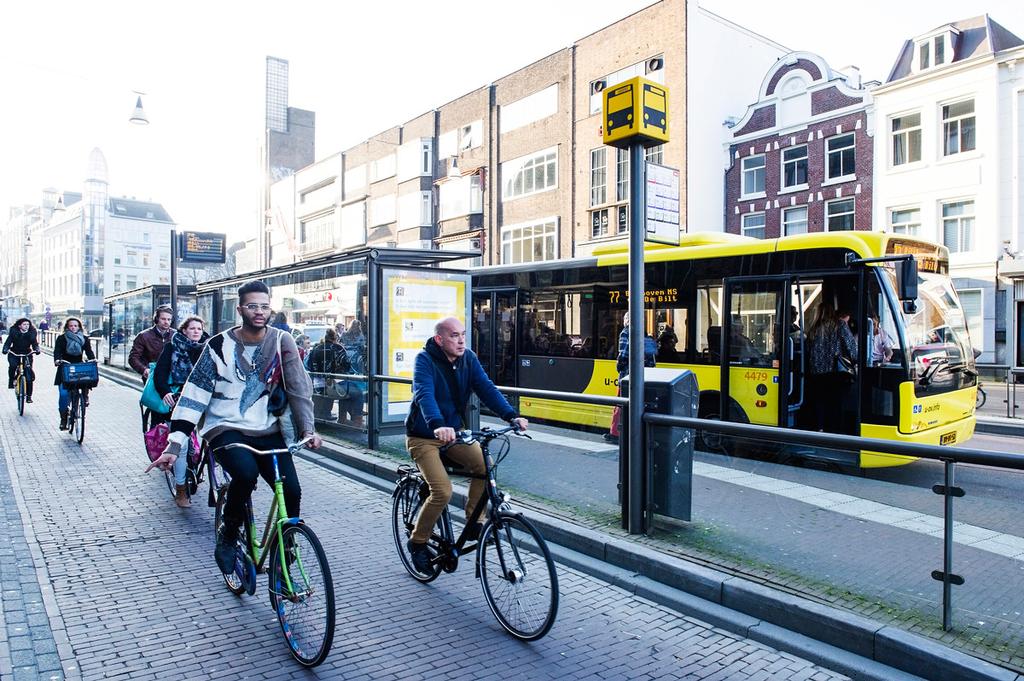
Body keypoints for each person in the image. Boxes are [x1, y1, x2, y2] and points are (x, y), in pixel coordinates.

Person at [145, 281, 322, 574]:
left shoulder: (282, 341)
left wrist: (307, 430)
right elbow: (194, 396)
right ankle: (228, 534)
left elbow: (299, 389)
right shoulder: (218, 345)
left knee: (291, 490)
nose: (259, 312)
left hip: (268, 428)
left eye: (265, 306)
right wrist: (174, 445)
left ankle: (287, 545)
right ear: (240, 309)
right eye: (252, 306)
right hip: (225, 426)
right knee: (245, 472)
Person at [404, 316, 528, 574]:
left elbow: (486, 388)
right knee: (442, 491)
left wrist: (510, 415)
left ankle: (474, 522)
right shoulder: (424, 360)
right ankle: (417, 542)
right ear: (439, 339)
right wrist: (437, 423)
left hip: (454, 434)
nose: (461, 340)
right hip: (424, 436)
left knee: (486, 466)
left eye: (463, 335)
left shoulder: (468, 358)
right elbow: (424, 393)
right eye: (454, 336)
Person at [152, 316, 210, 508]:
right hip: (178, 396)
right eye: (192, 328)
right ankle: (181, 488)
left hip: (203, 397)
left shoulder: (208, 347)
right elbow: (160, 373)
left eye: (199, 329)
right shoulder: (172, 347)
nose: (196, 332)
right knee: (181, 445)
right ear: (184, 330)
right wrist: (166, 392)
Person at [605, 313, 656, 443]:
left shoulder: (625, 333)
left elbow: (623, 354)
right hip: (645, 376)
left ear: (627, 321)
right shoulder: (646, 336)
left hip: (628, 375)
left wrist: (619, 366)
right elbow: (652, 360)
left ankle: (616, 433)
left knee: (621, 403)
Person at [807, 302, 857, 433]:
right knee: (835, 404)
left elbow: (808, 350)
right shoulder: (839, 325)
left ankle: (820, 429)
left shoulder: (813, 328)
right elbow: (851, 347)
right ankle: (834, 432)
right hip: (834, 372)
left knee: (820, 402)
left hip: (816, 372)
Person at [305, 328, 361, 424]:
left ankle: (335, 416)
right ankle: (354, 419)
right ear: (335, 339)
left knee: (347, 389)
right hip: (333, 386)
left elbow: (308, 365)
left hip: (317, 386)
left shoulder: (315, 349)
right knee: (356, 392)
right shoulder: (338, 349)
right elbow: (347, 366)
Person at [53, 318, 95, 430]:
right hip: (65, 367)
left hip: (79, 367)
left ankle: (84, 396)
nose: (73, 328)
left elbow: (89, 351)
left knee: (87, 380)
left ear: (79, 327)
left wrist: (93, 359)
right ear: (67, 327)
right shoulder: (62, 338)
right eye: (71, 326)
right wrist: (57, 360)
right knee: (63, 395)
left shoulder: (84, 338)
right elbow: (57, 351)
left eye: (75, 326)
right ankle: (63, 418)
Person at [129, 305, 174, 383]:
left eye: (169, 319)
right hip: (152, 377)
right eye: (163, 319)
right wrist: (144, 370)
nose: (166, 322)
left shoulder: (176, 335)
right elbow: (133, 358)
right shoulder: (143, 336)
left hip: (172, 377)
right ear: (156, 319)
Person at [3, 318, 41, 402]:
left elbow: (35, 344)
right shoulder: (14, 333)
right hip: (14, 353)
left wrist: (37, 349)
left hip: (27, 354)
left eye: (28, 324)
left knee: (28, 375)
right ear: (19, 326)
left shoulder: (31, 334)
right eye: (24, 324)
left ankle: (28, 396)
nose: (26, 326)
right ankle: (11, 380)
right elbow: (8, 342)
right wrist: (5, 349)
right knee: (13, 366)